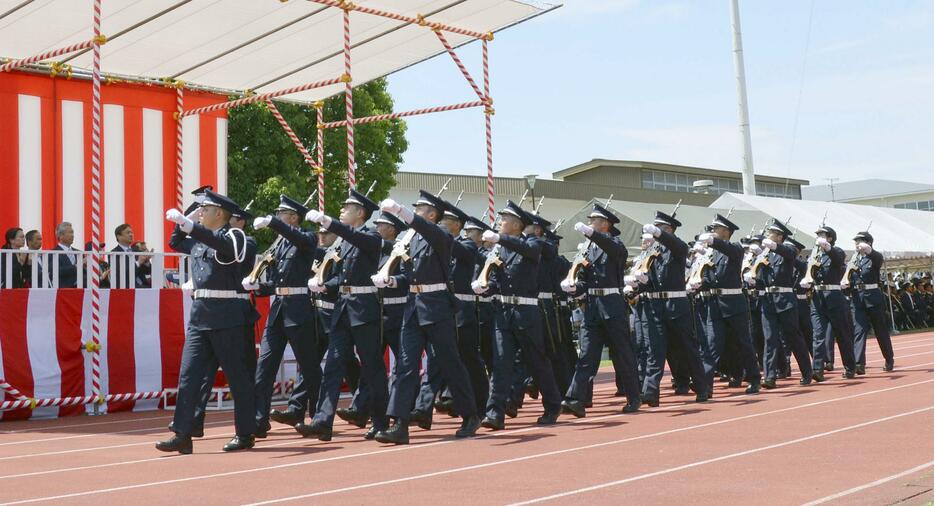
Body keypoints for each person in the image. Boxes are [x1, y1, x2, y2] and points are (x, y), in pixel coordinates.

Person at [370, 190, 481, 444]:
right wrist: (391, 280)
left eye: (419, 208)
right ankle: (400, 424)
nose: (415, 211)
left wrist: (401, 212)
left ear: (431, 213)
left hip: (437, 307)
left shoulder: (440, 235)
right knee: (405, 366)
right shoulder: (413, 240)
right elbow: (410, 277)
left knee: (450, 362)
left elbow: (422, 227)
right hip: (413, 307)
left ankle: (470, 414)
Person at [157, 190, 256, 453]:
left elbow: (225, 248)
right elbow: (175, 242)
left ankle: (245, 433)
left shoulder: (233, 236)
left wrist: (190, 225)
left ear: (220, 214)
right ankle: (182, 433)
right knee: (188, 376)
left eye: (206, 209)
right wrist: (188, 217)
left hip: (227, 315)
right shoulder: (200, 240)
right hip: (201, 315)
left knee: (238, 377)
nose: (201, 212)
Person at [296, 189, 389, 441]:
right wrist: (327, 285)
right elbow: (340, 272)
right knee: (334, 366)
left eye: (347, 207)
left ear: (360, 213)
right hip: (343, 307)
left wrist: (329, 222)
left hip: (364, 308)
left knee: (372, 367)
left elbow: (353, 237)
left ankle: (380, 421)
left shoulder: (371, 236)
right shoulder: (345, 242)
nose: (341, 210)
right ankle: (322, 421)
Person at [475, 200, 562, 429]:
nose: (500, 223)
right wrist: (486, 288)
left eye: (504, 219)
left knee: (537, 362)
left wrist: (500, 239)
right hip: (504, 311)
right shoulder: (500, 248)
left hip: (526, 311)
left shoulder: (532, 242)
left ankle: (553, 405)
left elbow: (530, 250)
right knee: (501, 362)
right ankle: (495, 412)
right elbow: (496, 281)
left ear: (516, 224)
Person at [244, 195, 325, 439]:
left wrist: (272, 223)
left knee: (309, 366)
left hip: (299, 309)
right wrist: (259, 287)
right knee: (265, 366)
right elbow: (279, 281)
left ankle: (319, 416)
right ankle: (259, 419)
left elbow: (298, 239)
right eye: (277, 214)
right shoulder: (279, 245)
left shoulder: (307, 238)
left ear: (293, 218)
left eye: (282, 214)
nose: (278, 216)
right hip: (278, 309)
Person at [560, 202, 641, 416]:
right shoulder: (588, 249)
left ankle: (634, 396)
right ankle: (576, 398)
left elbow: (612, 249)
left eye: (593, 221)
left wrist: (592, 235)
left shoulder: (616, 245)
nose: (589, 224)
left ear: (605, 224)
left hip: (612, 305)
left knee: (622, 354)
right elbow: (586, 279)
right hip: (593, 307)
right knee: (587, 355)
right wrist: (575, 287)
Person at [639, 211, 709, 406]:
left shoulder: (677, 247)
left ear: (668, 230)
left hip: (676, 305)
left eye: (659, 228)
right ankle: (651, 391)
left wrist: (660, 235)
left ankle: (702, 387)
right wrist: (641, 283)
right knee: (655, 349)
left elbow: (677, 246)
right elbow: (650, 280)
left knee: (688, 347)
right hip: (656, 305)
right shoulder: (652, 251)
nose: (655, 232)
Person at [695, 214, 762, 395]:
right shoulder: (711, 254)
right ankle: (705, 386)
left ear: (726, 232)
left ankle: (754, 379)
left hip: (733, 304)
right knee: (712, 344)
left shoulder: (735, 249)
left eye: (716, 229)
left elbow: (729, 250)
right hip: (715, 304)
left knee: (743, 343)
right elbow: (710, 278)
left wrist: (714, 242)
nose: (713, 231)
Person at [752, 219, 813, 386]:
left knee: (793, 337)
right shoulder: (766, 254)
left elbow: (790, 254)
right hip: (768, 301)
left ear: (779, 236)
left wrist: (773, 247)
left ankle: (807, 372)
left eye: (772, 233)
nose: (768, 235)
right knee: (770, 339)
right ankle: (769, 377)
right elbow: (762, 276)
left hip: (785, 300)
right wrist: (753, 278)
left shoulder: (788, 249)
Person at [801, 224, 857, 380]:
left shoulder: (836, 251)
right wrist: (807, 280)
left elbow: (838, 259)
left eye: (823, 235)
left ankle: (849, 366)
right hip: (818, 297)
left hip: (834, 296)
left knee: (842, 334)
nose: (819, 237)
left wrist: (826, 247)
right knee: (818, 335)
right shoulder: (815, 255)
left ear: (830, 238)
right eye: (818, 235)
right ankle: (817, 369)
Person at [843, 231, 895, 373]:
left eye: (859, 241)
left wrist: (869, 250)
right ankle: (859, 363)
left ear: (868, 243)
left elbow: (878, 259)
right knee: (859, 331)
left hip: (873, 298)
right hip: (857, 298)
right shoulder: (854, 259)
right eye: (856, 242)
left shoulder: (874, 256)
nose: (857, 244)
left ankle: (889, 358)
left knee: (880, 330)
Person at [50, 222, 81, 288]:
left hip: (81, 289)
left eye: (72, 232)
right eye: (70, 232)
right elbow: (56, 271)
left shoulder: (79, 252)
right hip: (63, 290)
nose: (72, 235)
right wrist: (76, 266)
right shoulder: (52, 253)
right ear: (60, 236)